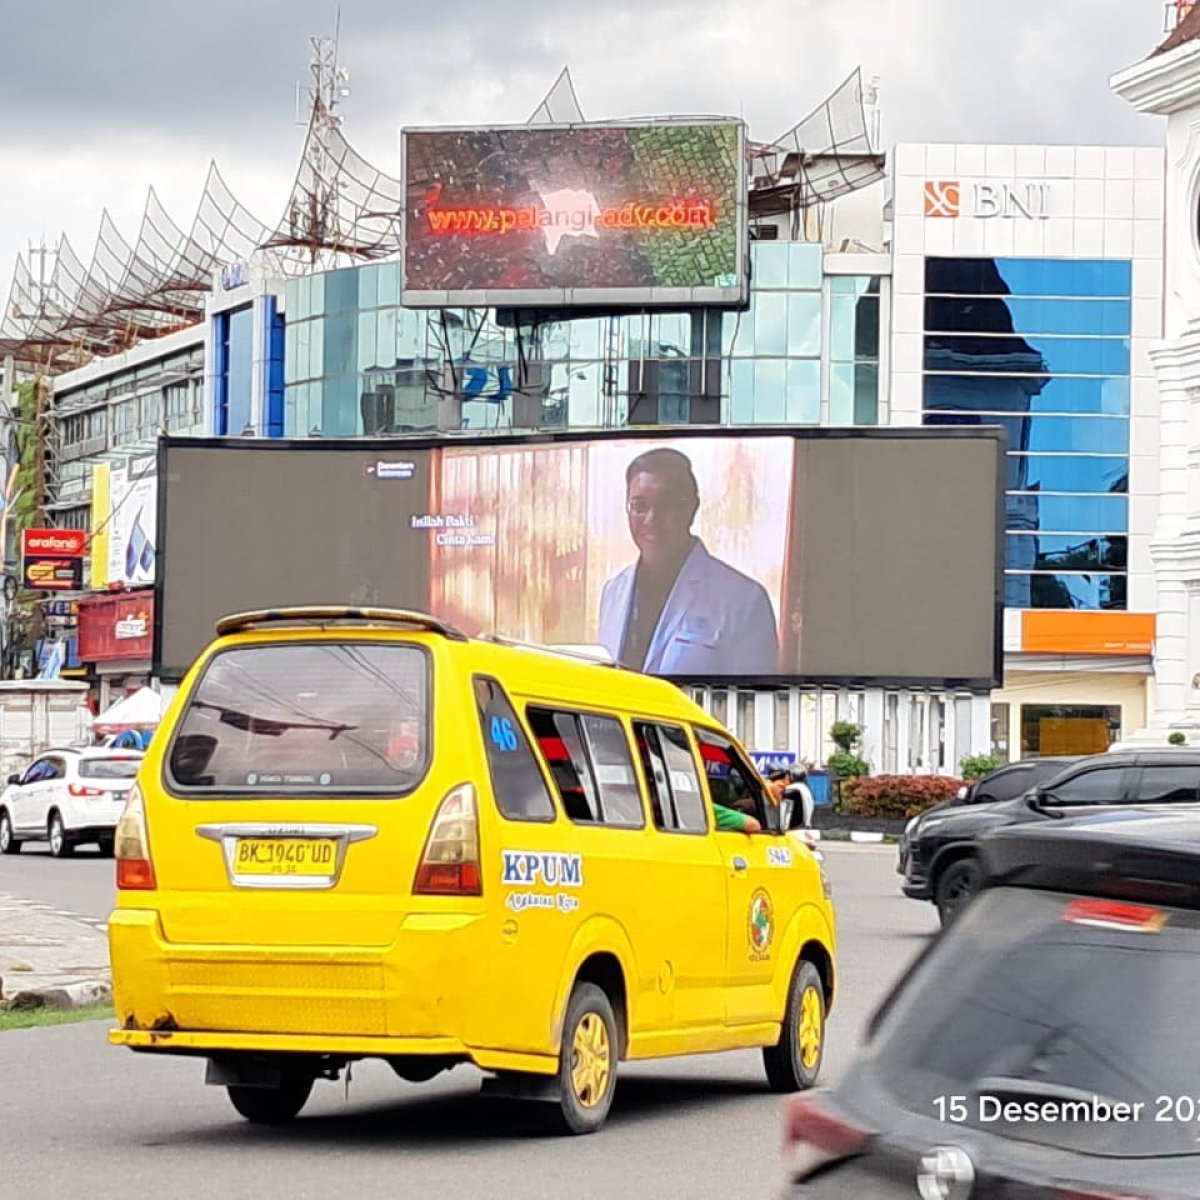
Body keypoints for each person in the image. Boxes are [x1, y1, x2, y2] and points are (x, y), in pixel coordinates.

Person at [597, 447, 780, 675]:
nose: (651, 520)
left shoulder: (744, 602)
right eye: (639, 506)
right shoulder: (613, 593)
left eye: (667, 505)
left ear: (692, 509)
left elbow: (751, 704)